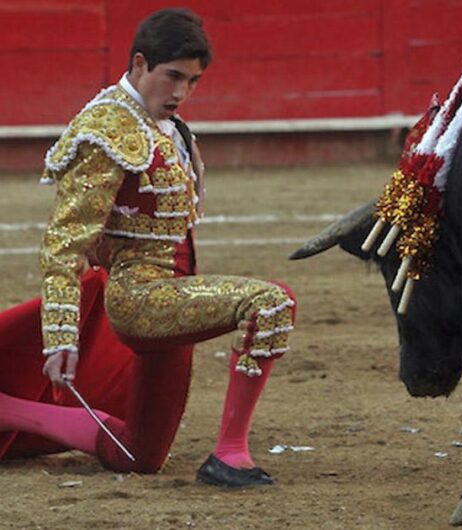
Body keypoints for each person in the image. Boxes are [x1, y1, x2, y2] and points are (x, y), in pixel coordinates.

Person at [0, 8, 295, 487]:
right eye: (173, 76)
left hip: (173, 295)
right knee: (272, 302)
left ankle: (7, 409)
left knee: (137, 453)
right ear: (140, 64)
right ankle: (230, 455)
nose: (182, 93)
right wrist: (61, 338)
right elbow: (63, 244)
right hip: (141, 300)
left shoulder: (168, 128)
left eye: (193, 81)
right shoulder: (107, 129)